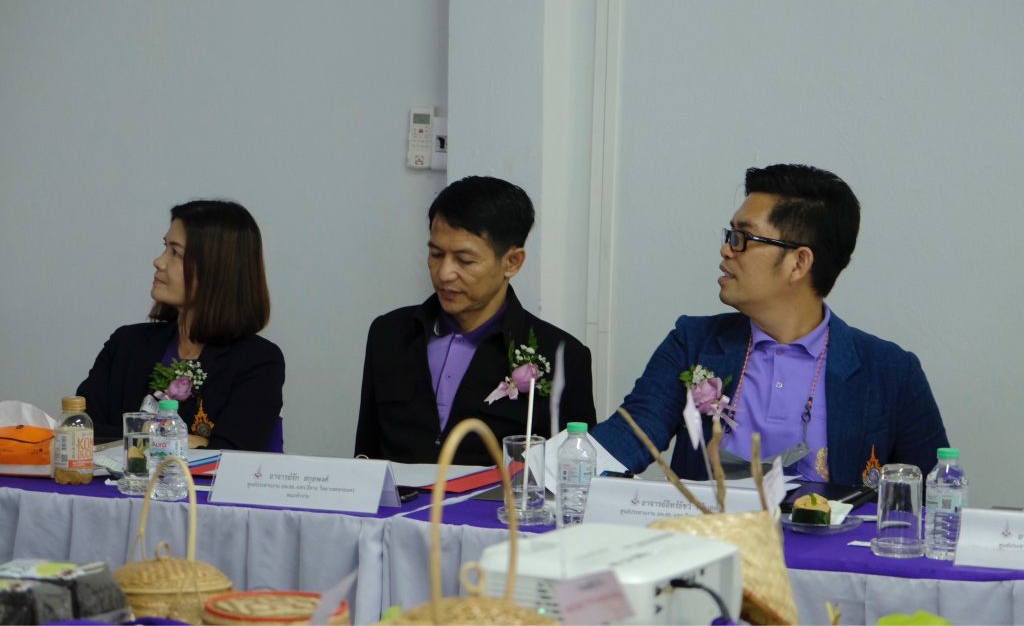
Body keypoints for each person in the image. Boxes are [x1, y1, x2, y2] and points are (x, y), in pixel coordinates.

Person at [591, 164, 948, 486]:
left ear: (798, 263)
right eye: (729, 235)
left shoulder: (890, 371)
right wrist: (561, 462)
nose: (726, 250)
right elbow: (629, 435)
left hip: (831, 541)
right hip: (714, 537)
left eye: (743, 238)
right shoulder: (694, 343)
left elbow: (932, 496)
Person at [356, 176, 596, 465]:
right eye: (436, 254)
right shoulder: (389, 334)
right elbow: (365, 459)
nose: (444, 273)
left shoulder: (561, 355)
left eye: (465, 260)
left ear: (512, 262)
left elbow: (575, 475)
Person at [77, 200, 285, 451]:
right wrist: (178, 439)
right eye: (165, 247)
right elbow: (81, 431)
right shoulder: (126, 343)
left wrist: (128, 436)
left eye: (175, 253)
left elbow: (233, 455)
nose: (159, 261)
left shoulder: (258, 360)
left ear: (216, 268)